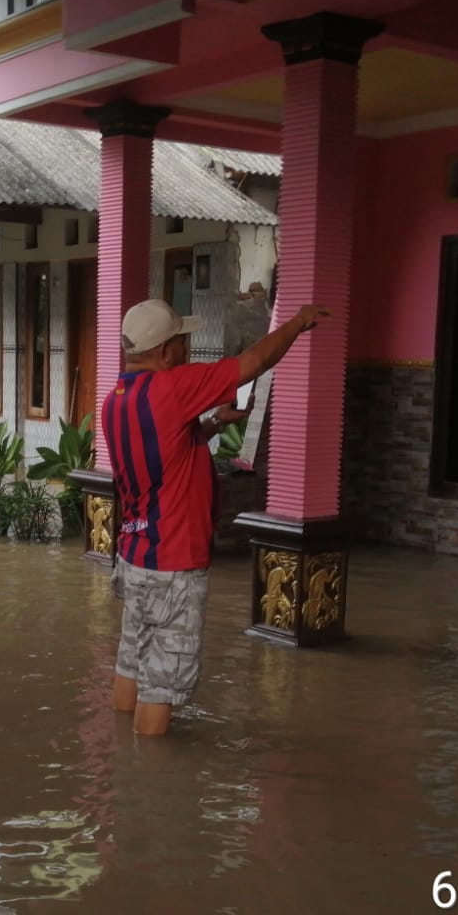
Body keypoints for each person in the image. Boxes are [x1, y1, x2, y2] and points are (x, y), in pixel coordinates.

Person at [103, 297, 328, 735]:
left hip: (135, 556)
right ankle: (150, 783)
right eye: (182, 342)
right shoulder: (172, 387)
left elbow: (165, 451)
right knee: (163, 684)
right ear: (165, 351)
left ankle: (119, 761)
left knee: (132, 659)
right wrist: (297, 323)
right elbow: (253, 361)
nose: (187, 350)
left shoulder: (118, 397)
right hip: (173, 562)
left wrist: (212, 424)